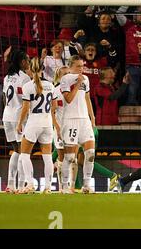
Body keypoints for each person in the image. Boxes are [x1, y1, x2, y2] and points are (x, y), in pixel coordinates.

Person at [16, 57, 59, 194]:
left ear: (30, 69)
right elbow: (55, 106)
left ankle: (29, 184)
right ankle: (47, 187)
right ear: (42, 69)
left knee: (24, 154)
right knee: (47, 157)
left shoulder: (28, 86)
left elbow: (25, 108)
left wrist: (19, 124)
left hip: (34, 122)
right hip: (47, 122)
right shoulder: (51, 85)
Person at [60, 55, 96, 194]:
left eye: (82, 66)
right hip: (71, 120)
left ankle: (86, 186)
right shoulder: (65, 79)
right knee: (69, 157)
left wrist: (92, 117)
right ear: (70, 67)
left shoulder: (86, 79)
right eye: (78, 66)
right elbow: (68, 99)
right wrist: (76, 84)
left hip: (84, 120)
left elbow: (87, 98)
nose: (81, 69)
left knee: (91, 153)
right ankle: (64, 186)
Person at [3, 50, 31, 193]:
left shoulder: (7, 77)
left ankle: (10, 185)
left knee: (16, 151)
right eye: (27, 60)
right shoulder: (25, 78)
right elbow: (27, 101)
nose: (29, 62)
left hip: (7, 116)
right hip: (19, 118)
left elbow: (4, 98)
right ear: (22, 62)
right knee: (23, 152)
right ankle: (20, 186)